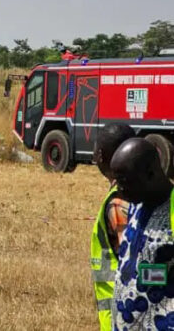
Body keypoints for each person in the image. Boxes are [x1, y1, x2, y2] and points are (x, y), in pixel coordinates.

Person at [111, 138, 174, 329]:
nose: (119, 189)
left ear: (151, 173)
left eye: (124, 181)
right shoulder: (135, 206)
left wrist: (150, 274)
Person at [90, 123, 136, 330]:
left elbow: (135, 261)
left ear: (100, 155)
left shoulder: (119, 204)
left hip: (123, 315)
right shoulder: (143, 193)